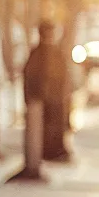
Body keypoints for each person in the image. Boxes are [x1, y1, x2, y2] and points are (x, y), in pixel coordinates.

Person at [24, 19, 72, 162]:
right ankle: (46, 153)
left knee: (55, 128)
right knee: (44, 128)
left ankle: (55, 152)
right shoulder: (38, 53)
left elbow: (63, 76)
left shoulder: (56, 53)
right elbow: (30, 76)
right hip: (42, 100)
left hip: (55, 99)